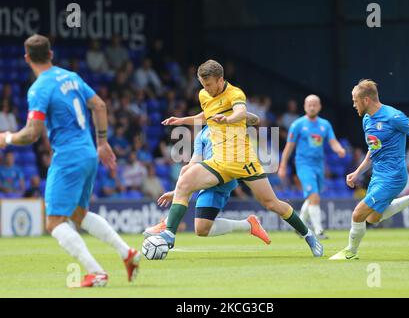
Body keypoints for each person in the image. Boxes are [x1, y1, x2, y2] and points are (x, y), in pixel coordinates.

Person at [0, 34, 140, 287]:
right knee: (78, 213)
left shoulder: (39, 88)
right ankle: (126, 253)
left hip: (68, 157)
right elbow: (99, 106)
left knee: (53, 222)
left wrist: (6, 137)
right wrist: (103, 142)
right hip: (89, 153)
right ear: (51, 54)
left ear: (27, 58)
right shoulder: (71, 77)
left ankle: (96, 272)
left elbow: (32, 133)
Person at [152, 60, 323, 257]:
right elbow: (206, 115)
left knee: (272, 203)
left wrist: (229, 118)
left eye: (208, 84)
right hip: (219, 162)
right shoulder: (204, 94)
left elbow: (241, 112)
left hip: (243, 161)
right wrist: (182, 120)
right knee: (184, 181)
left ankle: (308, 235)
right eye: (202, 84)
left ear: (220, 80)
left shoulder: (235, 93)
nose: (205, 89)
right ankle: (169, 235)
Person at [330, 79, 409, 260]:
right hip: (378, 174)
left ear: (366, 100)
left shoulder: (393, 116)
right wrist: (358, 171)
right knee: (373, 218)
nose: (353, 104)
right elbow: (373, 149)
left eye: (355, 100)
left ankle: (350, 251)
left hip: (394, 176)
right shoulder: (367, 119)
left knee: (358, 213)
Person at [144, 114, 271, 243]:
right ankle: (249, 224)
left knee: (185, 172)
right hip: (210, 175)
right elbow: (193, 163)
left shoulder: (230, 124)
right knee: (202, 229)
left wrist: (234, 114)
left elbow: (255, 119)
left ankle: (167, 224)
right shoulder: (202, 134)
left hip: (228, 173)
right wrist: (177, 192)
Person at [278, 95, 346, 239]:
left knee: (311, 197)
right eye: (309, 104)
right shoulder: (297, 125)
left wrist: (339, 149)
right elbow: (289, 146)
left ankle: (299, 225)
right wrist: (283, 165)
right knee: (314, 196)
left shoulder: (325, 125)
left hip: (319, 165)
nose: (312, 107)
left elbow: (333, 141)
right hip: (303, 164)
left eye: (315, 104)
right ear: (304, 106)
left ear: (320, 106)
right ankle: (319, 231)